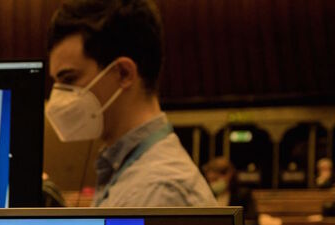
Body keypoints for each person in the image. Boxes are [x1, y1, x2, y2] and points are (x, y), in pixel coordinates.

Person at [46, 0, 215, 208]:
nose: (57, 98)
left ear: (124, 73)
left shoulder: (157, 190)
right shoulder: (127, 170)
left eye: (69, 79)